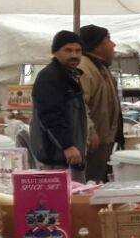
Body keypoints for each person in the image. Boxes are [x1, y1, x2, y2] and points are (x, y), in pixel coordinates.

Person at [29, 31, 87, 179]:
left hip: (68, 153)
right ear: (55, 52)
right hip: (55, 154)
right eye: (68, 50)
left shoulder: (71, 75)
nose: (74, 55)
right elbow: (51, 115)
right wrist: (67, 145)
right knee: (59, 198)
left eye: (78, 51)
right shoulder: (50, 77)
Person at [77, 24, 123, 182]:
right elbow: (80, 104)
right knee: (91, 183)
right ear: (97, 45)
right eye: (108, 39)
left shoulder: (100, 67)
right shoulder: (84, 68)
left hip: (104, 141)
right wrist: (90, 132)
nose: (113, 44)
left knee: (99, 181)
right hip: (94, 143)